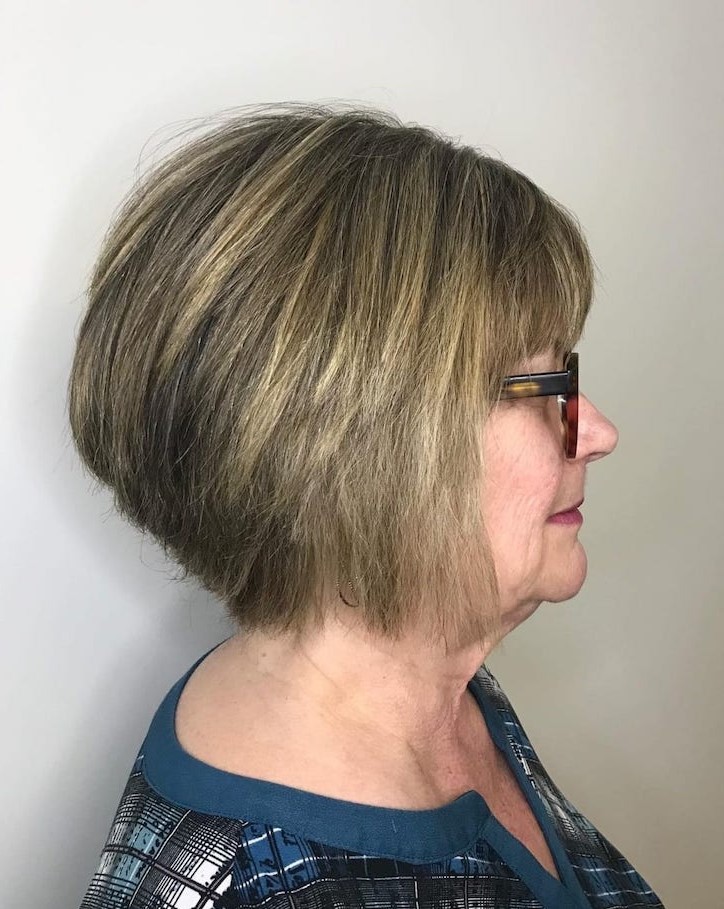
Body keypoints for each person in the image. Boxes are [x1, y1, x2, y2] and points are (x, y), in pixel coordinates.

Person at [70, 102, 665, 908]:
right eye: (542, 386)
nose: (597, 432)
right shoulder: (257, 883)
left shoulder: (436, 675)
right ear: (345, 447)